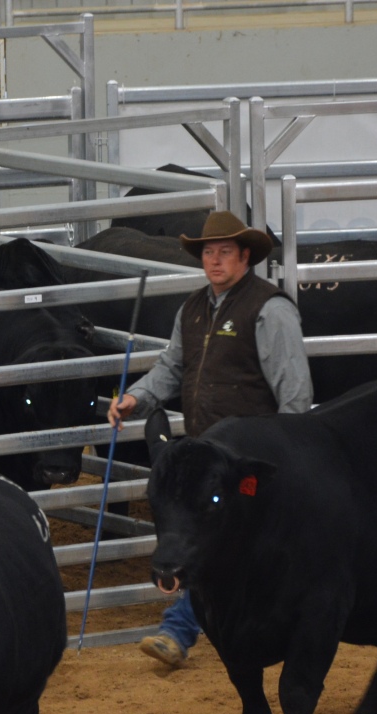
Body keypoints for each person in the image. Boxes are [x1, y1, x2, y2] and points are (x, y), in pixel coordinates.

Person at [106, 210, 311, 668]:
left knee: (218, 546)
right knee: (216, 545)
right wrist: (137, 398)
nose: (214, 261)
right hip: (205, 458)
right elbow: (171, 368)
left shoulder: (271, 309)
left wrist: (290, 453)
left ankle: (179, 629)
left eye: (224, 252)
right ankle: (196, 629)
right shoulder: (193, 309)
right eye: (208, 253)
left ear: (245, 257)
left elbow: (295, 393)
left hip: (248, 459)